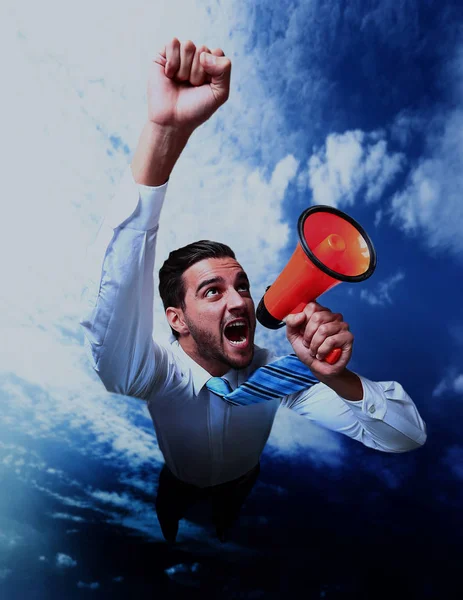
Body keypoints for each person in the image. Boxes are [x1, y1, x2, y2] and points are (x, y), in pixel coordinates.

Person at [80, 38, 427, 544]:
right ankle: (171, 529)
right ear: (175, 318)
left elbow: (407, 436)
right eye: (212, 292)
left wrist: (340, 378)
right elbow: (111, 312)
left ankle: (220, 527)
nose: (240, 300)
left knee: (227, 518)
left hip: (242, 481)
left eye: (241, 286)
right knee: (169, 512)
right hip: (178, 479)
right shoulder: (153, 371)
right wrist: (163, 131)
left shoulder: (282, 376)